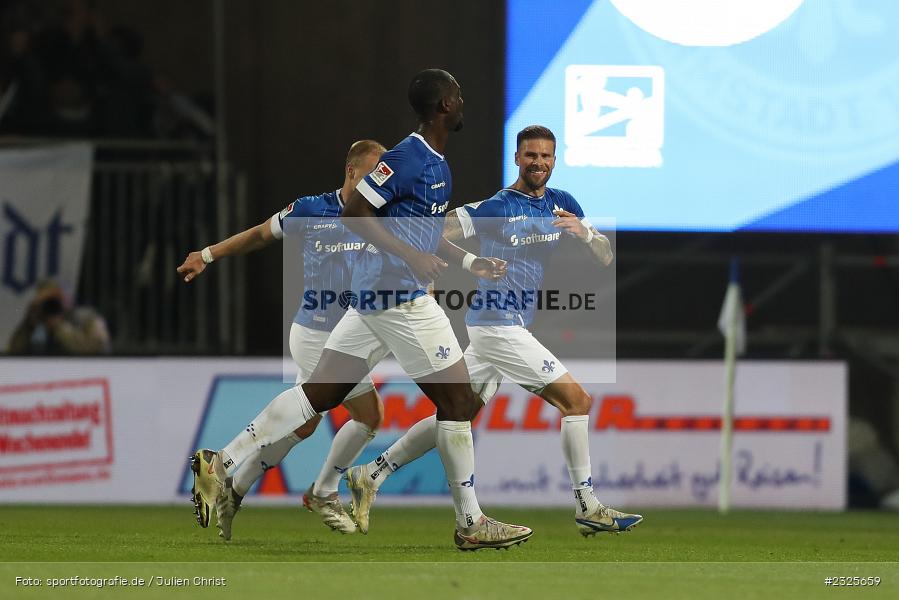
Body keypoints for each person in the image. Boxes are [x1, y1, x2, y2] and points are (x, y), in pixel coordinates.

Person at [191, 69, 533, 551]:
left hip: (371, 300)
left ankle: (220, 463)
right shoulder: (408, 157)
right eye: (456, 95)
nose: (462, 101)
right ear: (442, 107)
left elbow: (424, 230)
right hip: (400, 296)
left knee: (315, 397)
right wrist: (412, 257)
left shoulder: (435, 162)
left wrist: (465, 260)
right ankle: (470, 522)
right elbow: (355, 211)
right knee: (458, 403)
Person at [344, 125, 643, 537]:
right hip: (495, 323)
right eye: (530, 155)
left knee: (458, 411)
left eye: (546, 156)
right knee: (577, 400)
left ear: (555, 160)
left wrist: (586, 233)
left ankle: (371, 473)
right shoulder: (498, 206)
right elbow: (442, 227)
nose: (538, 162)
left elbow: (605, 257)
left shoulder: (562, 205)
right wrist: (407, 245)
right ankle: (587, 505)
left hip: (507, 324)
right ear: (517, 159)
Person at [178, 140, 390, 539]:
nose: (379, 183)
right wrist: (207, 255)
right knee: (354, 414)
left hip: (351, 336)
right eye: (373, 173)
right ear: (351, 171)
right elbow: (260, 234)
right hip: (316, 333)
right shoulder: (310, 209)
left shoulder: (382, 217)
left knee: (317, 423)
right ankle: (231, 465)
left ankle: (235, 491)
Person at [7, 279, 111, 355]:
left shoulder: (88, 319)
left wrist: (58, 327)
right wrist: (28, 323)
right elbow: (14, 351)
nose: (52, 304)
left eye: (56, 299)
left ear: (68, 298)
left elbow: (98, 347)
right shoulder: (36, 321)